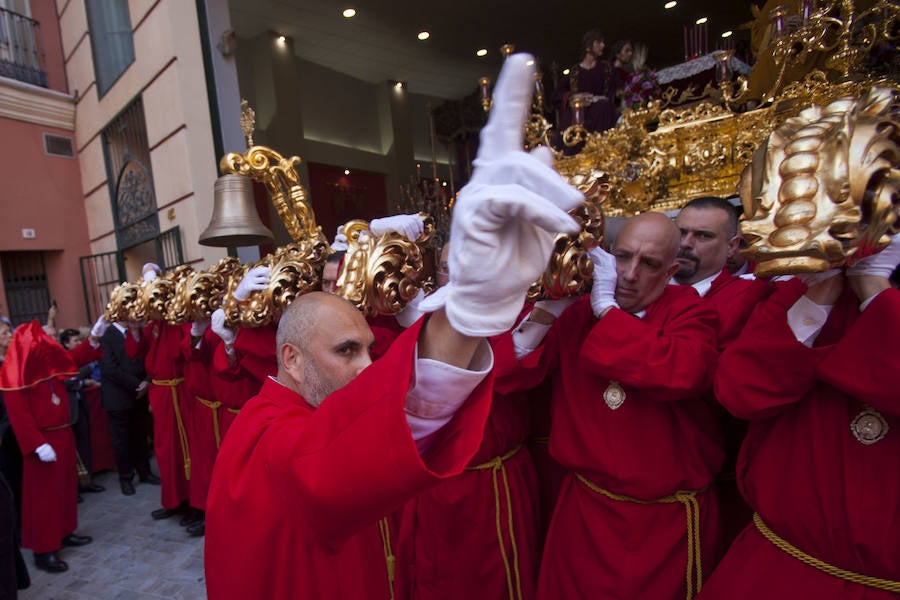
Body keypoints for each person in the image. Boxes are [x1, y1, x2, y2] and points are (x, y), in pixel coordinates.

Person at [204, 53, 584, 600]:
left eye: (367, 349)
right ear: (290, 358)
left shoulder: (295, 407)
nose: (367, 367)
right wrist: (469, 308)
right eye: (346, 351)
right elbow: (347, 454)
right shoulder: (273, 438)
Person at [500, 212, 721, 599]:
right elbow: (510, 375)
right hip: (586, 512)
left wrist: (607, 312)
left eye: (649, 263)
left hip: (665, 523)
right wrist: (548, 310)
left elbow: (682, 373)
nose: (630, 274)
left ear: (671, 271)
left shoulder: (690, 310)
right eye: (622, 257)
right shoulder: (578, 314)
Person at [698, 235, 900, 598]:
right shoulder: (807, 289)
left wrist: (875, 292)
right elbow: (740, 391)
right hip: (778, 565)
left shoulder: (877, 286)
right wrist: (819, 295)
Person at [0, 319, 104, 573]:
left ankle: (65, 531)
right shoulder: (12, 368)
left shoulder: (38, 360)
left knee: (65, 488)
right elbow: (18, 413)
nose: (8, 334)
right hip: (42, 440)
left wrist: (93, 338)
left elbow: (70, 360)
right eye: (4, 332)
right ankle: (44, 550)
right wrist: (36, 443)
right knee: (43, 497)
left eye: (8, 330)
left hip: (62, 433)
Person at [100, 321, 157, 496]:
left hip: (139, 394)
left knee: (140, 435)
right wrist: (136, 384)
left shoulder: (139, 331)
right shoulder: (107, 335)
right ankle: (126, 478)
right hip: (118, 397)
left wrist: (147, 381)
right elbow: (110, 368)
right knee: (121, 441)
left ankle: (144, 471)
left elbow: (150, 356)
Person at [59, 328, 105, 496]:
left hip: (80, 406)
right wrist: (81, 382)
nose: (79, 343)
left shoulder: (76, 358)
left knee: (85, 444)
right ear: (65, 344)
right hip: (68, 411)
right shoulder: (58, 359)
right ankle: (74, 487)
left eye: (80, 340)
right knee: (71, 450)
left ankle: (87, 480)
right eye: (75, 341)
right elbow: (65, 382)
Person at [553, 29, 618, 135]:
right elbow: (556, 96)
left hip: (602, 116)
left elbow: (616, 90)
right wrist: (574, 97)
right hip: (581, 115)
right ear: (588, 47)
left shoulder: (607, 68)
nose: (603, 45)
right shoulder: (575, 72)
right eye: (598, 42)